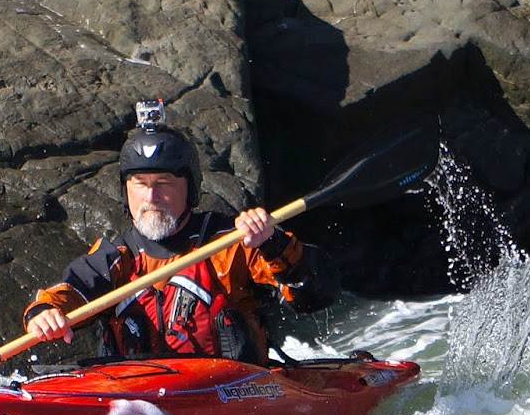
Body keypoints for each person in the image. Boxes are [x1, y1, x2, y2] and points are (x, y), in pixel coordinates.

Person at [23, 103, 340, 364]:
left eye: (163, 183)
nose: (151, 197)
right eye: (140, 184)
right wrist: (45, 312)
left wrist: (273, 243)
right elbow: (71, 290)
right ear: (125, 192)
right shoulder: (115, 257)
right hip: (140, 402)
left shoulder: (232, 243)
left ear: (189, 189)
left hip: (230, 394)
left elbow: (315, 294)